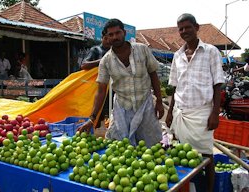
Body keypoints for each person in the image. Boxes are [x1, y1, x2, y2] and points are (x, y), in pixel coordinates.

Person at [78, 18, 164, 147]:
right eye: (110, 35)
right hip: (122, 107)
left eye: (118, 33)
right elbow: (101, 91)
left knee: (149, 145)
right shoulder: (105, 61)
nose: (115, 37)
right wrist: (92, 118)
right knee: (121, 146)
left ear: (124, 32)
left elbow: (153, 74)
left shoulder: (142, 50)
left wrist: (159, 101)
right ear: (106, 37)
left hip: (144, 104)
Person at [165, 13, 225, 192]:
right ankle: (189, 187)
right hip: (181, 112)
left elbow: (217, 84)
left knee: (207, 155)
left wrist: (215, 112)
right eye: (181, 29)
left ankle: (209, 189)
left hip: (202, 113)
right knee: (182, 154)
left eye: (187, 27)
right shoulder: (177, 55)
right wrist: (170, 112)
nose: (184, 31)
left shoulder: (211, 51)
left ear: (196, 27)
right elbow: (174, 86)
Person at [81, 31, 111, 128]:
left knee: (109, 113)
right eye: (105, 38)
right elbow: (84, 65)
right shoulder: (95, 50)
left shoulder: (114, 52)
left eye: (109, 38)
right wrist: (102, 61)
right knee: (98, 112)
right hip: (98, 87)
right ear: (102, 38)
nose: (107, 40)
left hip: (111, 90)